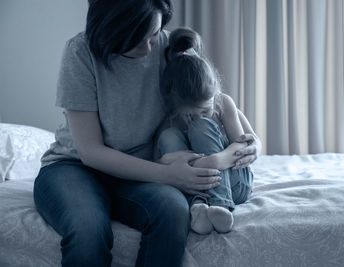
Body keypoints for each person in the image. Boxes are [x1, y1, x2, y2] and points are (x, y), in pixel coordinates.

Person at [33, 0, 261, 266]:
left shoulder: (170, 47)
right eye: (137, 39)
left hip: (141, 170)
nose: (149, 46)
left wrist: (252, 139)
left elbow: (212, 98)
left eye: (153, 34)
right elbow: (91, 152)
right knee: (88, 229)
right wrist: (167, 174)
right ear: (110, 30)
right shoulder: (81, 52)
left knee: (174, 211)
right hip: (74, 168)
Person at [156, 28, 262, 235]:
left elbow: (241, 145)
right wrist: (171, 161)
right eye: (189, 115)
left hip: (234, 182)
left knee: (202, 127)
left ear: (215, 91)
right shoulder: (172, 118)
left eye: (205, 110)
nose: (198, 116)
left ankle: (220, 205)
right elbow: (157, 161)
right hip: (193, 185)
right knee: (168, 136)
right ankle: (199, 209)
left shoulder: (223, 103)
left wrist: (212, 161)